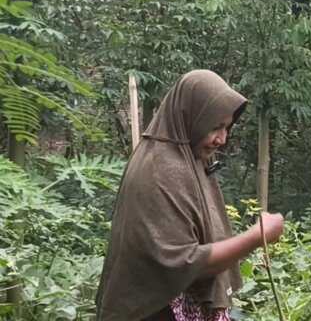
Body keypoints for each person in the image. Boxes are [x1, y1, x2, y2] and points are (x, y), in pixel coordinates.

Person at [96, 70, 284, 320]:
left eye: (227, 128)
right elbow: (186, 263)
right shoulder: (161, 169)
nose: (222, 139)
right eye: (215, 127)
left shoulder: (189, 155)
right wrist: (256, 236)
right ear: (191, 117)